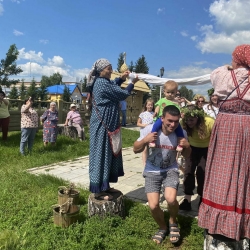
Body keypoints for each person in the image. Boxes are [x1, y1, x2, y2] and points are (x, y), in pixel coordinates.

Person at [198, 44, 250, 248]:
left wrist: (229, 68)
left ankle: (219, 221)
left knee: (221, 168)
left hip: (226, 125)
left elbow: (215, 74)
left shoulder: (222, 74)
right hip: (247, 127)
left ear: (237, 58)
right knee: (244, 172)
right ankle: (241, 223)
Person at [133, 105, 191, 244]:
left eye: (176, 121)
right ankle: (162, 227)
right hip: (152, 170)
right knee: (153, 205)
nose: (173, 124)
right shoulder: (149, 130)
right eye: (170, 121)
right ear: (162, 118)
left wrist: (187, 146)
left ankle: (172, 222)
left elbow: (187, 156)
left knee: (171, 199)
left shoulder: (180, 133)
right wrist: (145, 140)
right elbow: (135, 149)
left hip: (170, 169)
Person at [87, 58, 138, 200]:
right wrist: (132, 83)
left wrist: (121, 78)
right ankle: (98, 190)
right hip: (102, 126)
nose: (111, 71)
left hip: (107, 126)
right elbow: (122, 94)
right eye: (109, 68)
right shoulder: (101, 83)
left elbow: (114, 84)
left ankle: (105, 185)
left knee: (108, 154)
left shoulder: (103, 81)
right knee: (101, 154)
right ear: (101, 70)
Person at [178, 105, 214, 211]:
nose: (189, 122)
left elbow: (217, 137)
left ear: (198, 117)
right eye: (187, 120)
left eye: (192, 120)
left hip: (206, 149)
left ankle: (202, 200)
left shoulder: (209, 122)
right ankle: (187, 200)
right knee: (188, 172)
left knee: (201, 174)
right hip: (191, 148)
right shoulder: (183, 123)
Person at [150, 81, 184, 151]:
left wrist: (181, 114)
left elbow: (179, 110)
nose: (170, 94)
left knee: (179, 129)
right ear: (164, 92)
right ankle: (152, 139)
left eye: (172, 92)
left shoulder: (177, 102)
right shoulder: (162, 100)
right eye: (168, 92)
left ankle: (180, 143)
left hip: (174, 120)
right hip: (162, 118)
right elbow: (158, 107)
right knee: (156, 126)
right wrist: (156, 112)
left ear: (176, 92)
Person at [137, 98, 155, 166]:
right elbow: (138, 123)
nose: (150, 106)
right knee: (144, 149)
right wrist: (145, 125)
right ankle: (144, 164)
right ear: (146, 106)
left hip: (151, 133)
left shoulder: (154, 114)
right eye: (149, 105)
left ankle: (150, 162)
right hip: (144, 133)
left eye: (151, 105)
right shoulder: (142, 114)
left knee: (151, 149)